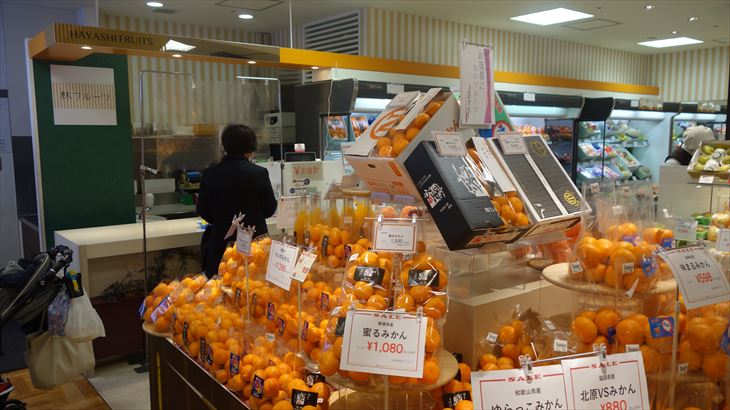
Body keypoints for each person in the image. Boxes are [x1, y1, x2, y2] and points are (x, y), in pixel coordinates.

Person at [197, 124, 277, 277]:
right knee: (256, 286)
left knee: (220, 286)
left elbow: (203, 210)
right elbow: (269, 209)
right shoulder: (260, 173)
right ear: (251, 146)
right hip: (255, 247)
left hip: (222, 245)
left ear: (225, 146)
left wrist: (222, 219)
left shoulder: (210, 174)